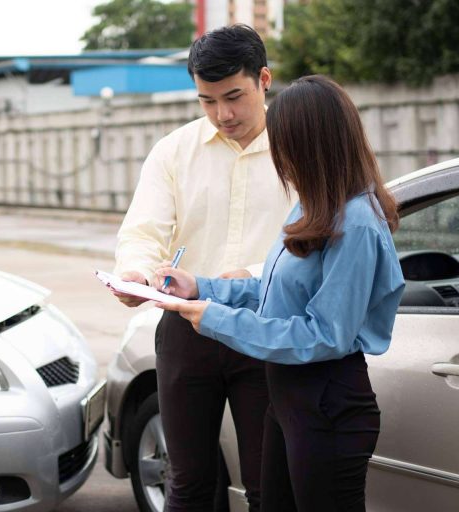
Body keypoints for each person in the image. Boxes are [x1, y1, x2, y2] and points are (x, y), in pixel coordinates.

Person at [154, 75, 405, 512]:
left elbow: (324, 335)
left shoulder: (358, 223)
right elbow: (273, 292)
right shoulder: (313, 206)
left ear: (313, 146)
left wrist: (215, 318)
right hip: (287, 399)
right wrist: (202, 286)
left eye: (285, 145)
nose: (279, 158)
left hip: (328, 405)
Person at [113, 25, 295, 512]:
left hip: (267, 330)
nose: (223, 114)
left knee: (268, 487)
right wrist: (135, 272)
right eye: (207, 101)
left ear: (264, 79)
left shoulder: (299, 149)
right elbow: (143, 231)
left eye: (233, 96)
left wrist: (251, 276)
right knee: (188, 483)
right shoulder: (174, 151)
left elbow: (315, 240)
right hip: (186, 329)